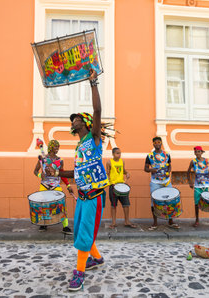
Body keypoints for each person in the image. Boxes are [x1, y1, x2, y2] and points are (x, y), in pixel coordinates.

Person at [47, 69, 108, 292]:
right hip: (82, 195)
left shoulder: (94, 139)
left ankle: (79, 273)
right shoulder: (79, 147)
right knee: (81, 230)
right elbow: (77, 172)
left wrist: (93, 82)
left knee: (84, 231)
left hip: (93, 195)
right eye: (73, 120)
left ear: (87, 123)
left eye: (77, 118)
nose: (73, 120)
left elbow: (98, 109)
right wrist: (58, 174)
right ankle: (97, 258)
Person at [33, 139, 74, 235]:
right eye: (56, 147)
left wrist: (68, 185)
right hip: (44, 185)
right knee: (43, 205)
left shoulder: (60, 161)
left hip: (55, 186)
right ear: (51, 147)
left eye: (58, 147)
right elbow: (35, 171)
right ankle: (43, 224)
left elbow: (62, 174)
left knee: (61, 205)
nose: (57, 149)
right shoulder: (42, 159)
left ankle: (65, 226)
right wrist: (40, 175)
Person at [144, 137, 179, 230]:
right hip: (155, 182)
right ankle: (155, 222)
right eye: (155, 142)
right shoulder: (150, 156)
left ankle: (170, 221)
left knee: (170, 200)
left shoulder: (167, 155)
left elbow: (170, 165)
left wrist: (169, 172)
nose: (157, 144)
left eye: (159, 142)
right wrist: (151, 169)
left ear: (161, 143)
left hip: (166, 181)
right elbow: (145, 168)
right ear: (153, 144)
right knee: (154, 201)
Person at [187, 146, 209, 228]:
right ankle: (197, 220)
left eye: (199, 151)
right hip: (198, 185)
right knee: (196, 202)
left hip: (207, 185)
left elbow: (207, 173)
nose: (197, 153)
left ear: (202, 152)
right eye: (196, 152)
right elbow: (188, 172)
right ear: (194, 153)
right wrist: (190, 182)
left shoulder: (206, 161)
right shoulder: (193, 162)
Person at [106, 147, 137, 229]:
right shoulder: (109, 162)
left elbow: (123, 170)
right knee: (113, 205)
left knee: (126, 204)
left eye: (120, 153)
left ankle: (127, 221)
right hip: (113, 186)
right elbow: (107, 173)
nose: (119, 155)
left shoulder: (122, 161)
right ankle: (113, 222)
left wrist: (127, 173)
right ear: (113, 154)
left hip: (122, 186)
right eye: (117, 153)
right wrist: (109, 181)